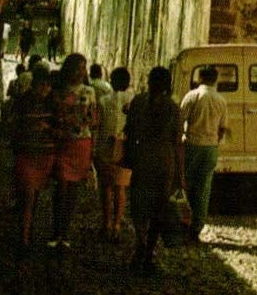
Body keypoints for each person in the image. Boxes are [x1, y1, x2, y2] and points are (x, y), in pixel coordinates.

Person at [122, 66, 183, 274]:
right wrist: (180, 175)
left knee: (139, 205)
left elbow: (129, 132)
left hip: (142, 157)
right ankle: (148, 252)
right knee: (159, 208)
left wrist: (128, 157)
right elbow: (177, 143)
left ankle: (140, 242)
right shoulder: (173, 108)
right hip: (165, 161)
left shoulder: (138, 102)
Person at [50, 52, 97, 251]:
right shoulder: (59, 90)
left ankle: (65, 232)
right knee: (61, 187)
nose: (81, 72)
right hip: (63, 142)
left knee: (73, 191)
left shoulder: (89, 91)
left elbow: (94, 120)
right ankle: (56, 230)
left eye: (83, 68)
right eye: (78, 67)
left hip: (81, 144)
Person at [10, 62, 58, 256]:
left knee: (33, 195)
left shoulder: (52, 104)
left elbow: (59, 128)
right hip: (27, 153)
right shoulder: (22, 101)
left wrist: (48, 129)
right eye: (41, 85)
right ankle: (24, 236)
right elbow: (12, 124)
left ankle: (26, 231)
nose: (45, 89)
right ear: (34, 84)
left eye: (48, 86)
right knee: (29, 195)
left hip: (44, 155)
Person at [180, 65, 227, 245]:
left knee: (187, 185)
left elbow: (180, 120)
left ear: (200, 78)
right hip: (210, 147)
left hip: (192, 144)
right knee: (203, 188)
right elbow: (222, 128)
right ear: (215, 79)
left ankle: (184, 223)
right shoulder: (220, 100)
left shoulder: (192, 96)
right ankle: (197, 227)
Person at [93, 66, 134, 243]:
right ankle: (117, 224)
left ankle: (106, 223)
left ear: (111, 81)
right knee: (121, 187)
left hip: (104, 147)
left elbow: (97, 125)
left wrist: (93, 149)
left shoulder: (102, 101)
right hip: (125, 149)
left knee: (106, 188)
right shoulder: (133, 100)